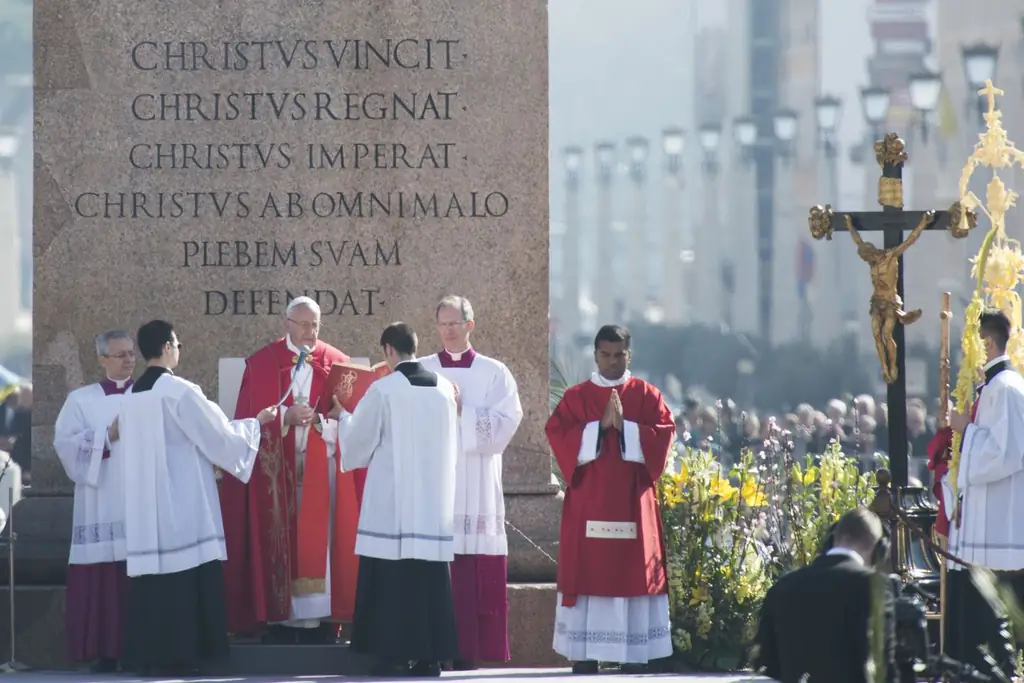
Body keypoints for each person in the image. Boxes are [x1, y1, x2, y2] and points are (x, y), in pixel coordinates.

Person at [112, 320, 277, 675]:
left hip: (145, 505)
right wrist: (257, 423)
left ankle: (150, 655)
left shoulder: (130, 397)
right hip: (182, 500)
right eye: (179, 344)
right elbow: (218, 437)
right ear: (169, 347)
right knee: (185, 574)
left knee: (153, 583)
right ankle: (187, 654)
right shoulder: (180, 391)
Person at [220, 296, 361, 644]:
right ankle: (279, 618)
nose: (310, 332)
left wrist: (321, 425)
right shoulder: (262, 364)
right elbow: (247, 421)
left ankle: (322, 619)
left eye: (315, 325)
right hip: (277, 473)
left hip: (321, 471)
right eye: (303, 324)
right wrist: (285, 418)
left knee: (320, 544)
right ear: (287, 324)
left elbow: (353, 423)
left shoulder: (337, 363)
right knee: (278, 538)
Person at [330, 322, 460, 677]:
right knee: (429, 581)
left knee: (393, 578)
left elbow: (358, 445)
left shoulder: (383, 390)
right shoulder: (446, 389)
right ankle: (431, 656)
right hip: (433, 503)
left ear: (388, 350)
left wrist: (341, 416)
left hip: (394, 503)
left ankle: (394, 654)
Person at [545, 324, 676, 673]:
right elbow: (556, 433)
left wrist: (628, 429)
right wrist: (599, 428)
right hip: (590, 501)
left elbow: (663, 437)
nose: (612, 362)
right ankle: (585, 653)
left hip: (633, 503)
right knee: (590, 570)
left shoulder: (647, 395)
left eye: (619, 355)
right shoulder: (577, 397)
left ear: (629, 355)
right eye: (605, 354)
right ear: (595, 355)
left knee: (630, 570)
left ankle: (632, 653)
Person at [420, 296, 523, 669]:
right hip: (434, 482)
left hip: (477, 483)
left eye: (455, 323)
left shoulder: (494, 373)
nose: (448, 330)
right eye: (442, 324)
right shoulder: (420, 369)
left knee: (471, 566)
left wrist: (464, 413)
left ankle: (469, 650)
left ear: (470, 325)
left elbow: (507, 423)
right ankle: (432, 647)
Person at [945, 308, 1024, 679]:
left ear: (987, 343)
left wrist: (967, 429)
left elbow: (1008, 452)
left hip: (999, 526)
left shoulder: (1007, 388)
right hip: (983, 521)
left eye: (972, 345)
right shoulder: (992, 387)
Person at [52, 330, 136, 672]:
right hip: (100, 498)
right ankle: (106, 649)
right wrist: (107, 436)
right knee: (105, 576)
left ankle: (141, 647)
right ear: (101, 359)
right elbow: (65, 445)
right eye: (120, 355)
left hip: (141, 500)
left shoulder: (150, 395)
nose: (129, 360)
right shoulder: (81, 400)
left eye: (131, 353)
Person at [754, 507, 898, 683]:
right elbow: (884, 666)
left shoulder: (783, 586)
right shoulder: (874, 586)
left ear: (830, 542)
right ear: (878, 551)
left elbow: (763, 660)